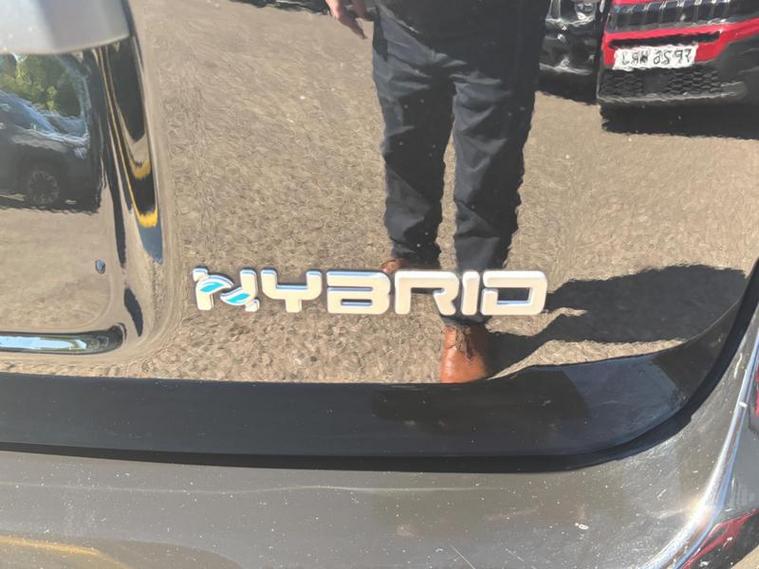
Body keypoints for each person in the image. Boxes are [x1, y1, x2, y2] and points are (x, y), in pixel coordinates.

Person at [326, 0, 548, 383]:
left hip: (497, 27)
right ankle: (414, 253)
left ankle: (467, 319)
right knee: (406, 149)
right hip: (402, 24)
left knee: (487, 175)